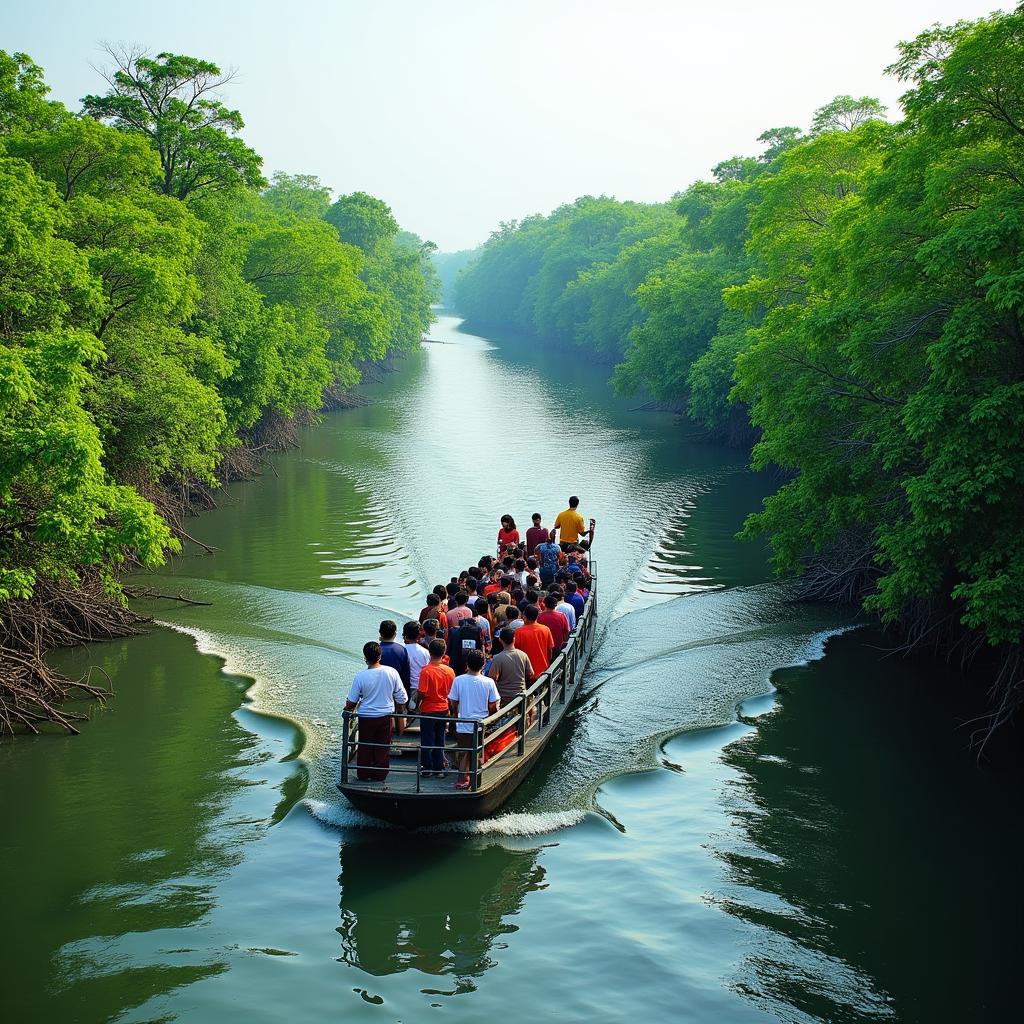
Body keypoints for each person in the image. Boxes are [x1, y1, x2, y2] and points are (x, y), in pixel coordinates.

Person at [344, 641, 408, 782]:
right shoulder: (391, 672)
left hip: (366, 717)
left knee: (365, 746)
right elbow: (402, 697)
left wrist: (346, 709)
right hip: (385, 717)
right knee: (382, 746)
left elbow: (351, 701)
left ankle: (364, 774)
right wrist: (400, 708)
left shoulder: (360, 676)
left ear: (365, 657)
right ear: (380, 656)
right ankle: (380, 775)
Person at [448, 648, 499, 790]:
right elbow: (493, 703)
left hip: (463, 722)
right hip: (481, 723)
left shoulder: (459, 680)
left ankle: (463, 778)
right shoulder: (488, 682)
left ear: (467, 664)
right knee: (477, 751)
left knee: (464, 751)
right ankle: (476, 779)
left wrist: (457, 712)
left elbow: (453, 701)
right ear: (483, 665)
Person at [417, 639, 455, 776]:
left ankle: (427, 768)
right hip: (443, 709)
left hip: (428, 709)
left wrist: (417, 704)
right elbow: (451, 692)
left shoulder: (426, 671)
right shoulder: (450, 671)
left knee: (427, 739)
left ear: (429, 652)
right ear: (444, 653)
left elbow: (421, 692)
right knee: (440, 738)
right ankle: (439, 768)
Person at [488, 626, 534, 708]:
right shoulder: (523, 655)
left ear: (500, 640)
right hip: (521, 696)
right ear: (514, 639)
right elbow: (530, 673)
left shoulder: (497, 658)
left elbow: (492, 677)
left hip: (504, 698)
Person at [513, 604, 555, 676]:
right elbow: (550, 650)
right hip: (543, 671)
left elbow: (515, 653)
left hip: (525, 671)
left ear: (525, 617)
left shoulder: (518, 632)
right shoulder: (546, 629)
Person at [378, 620, 411, 693]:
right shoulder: (402, 650)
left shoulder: (376, 649)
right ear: (395, 634)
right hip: (395, 689)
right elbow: (406, 675)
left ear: (380, 632)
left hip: (379, 688)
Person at [402, 620, 431, 703]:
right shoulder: (425, 652)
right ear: (418, 635)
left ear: (405, 635)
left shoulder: (401, 650)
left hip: (404, 686)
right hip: (420, 687)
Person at [448, 611, 484, 675]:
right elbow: (481, 648)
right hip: (475, 667)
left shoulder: (454, 632)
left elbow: (449, 651)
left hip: (456, 667)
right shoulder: (477, 632)